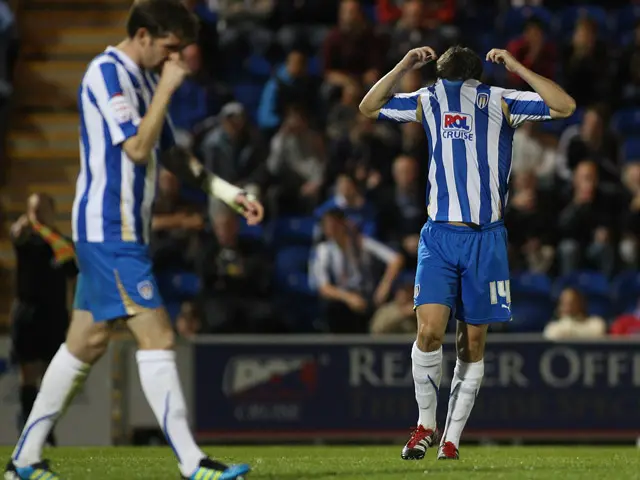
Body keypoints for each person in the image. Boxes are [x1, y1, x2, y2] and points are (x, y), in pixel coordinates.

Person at [4, 1, 264, 479]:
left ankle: (24, 457)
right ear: (144, 35)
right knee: (159, 335)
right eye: (170, 49)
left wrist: (229, 193)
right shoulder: (107, 73)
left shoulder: (145, 78)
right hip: (109, 229)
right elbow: (138, 148)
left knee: (86, 340)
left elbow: (172, 156)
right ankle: (192, 462)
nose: (177, 61)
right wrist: (167, 88)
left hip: (124, 230)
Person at [359, 45, 575, 460]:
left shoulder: (498, 100)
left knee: (470, 344)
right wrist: (404, 65)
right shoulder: (430, 98)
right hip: (439, 236)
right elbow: (369, 108)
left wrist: (514, 69)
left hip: (485, 238)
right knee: (428, 332)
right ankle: (425, 423)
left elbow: (564, 106)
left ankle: (451, 439)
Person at [8, 194, 77, 448]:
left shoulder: (61, 244)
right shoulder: (27, 240)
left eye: (42, 209)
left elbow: (72, 276)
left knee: (52, 376)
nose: (37, 214)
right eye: (33, 209)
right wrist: (22, 226)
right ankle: (27, 428)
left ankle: (45, 429)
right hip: (28, 313)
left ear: (52, 211)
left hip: (54, 314)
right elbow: (16, 236)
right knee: (28, 374)